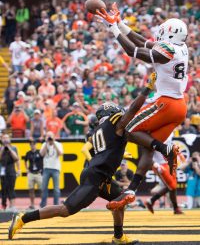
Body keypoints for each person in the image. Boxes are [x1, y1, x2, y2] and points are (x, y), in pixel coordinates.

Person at [8, 73, 157, 243]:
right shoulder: (113, 125)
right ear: (112, 114)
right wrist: (148, 89)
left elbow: (110, 148)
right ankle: (22, 218)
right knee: (64, 210)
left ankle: (118, 237)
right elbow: (131, 111)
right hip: (95, 177)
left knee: (120, 200)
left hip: (101, 175)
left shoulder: (100, 131)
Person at [97, 5, 188, 210]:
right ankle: (132, 190)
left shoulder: (168, 51)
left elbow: (132, 50)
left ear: (170, 32)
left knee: (127, 128)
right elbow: (143, 41)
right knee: (148, 145)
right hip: (179, 106)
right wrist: (119, 23)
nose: (160, 32)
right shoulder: (180, 47)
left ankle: (166, 150)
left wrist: (113, 29)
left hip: (166, 103)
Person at [39, 131, 63, 208]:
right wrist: (46, 143)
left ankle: (56, 205)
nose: (49, 137)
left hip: (55, 168)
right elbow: (41, 154)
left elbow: (60, 154)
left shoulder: (58, 144)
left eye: (50, 136)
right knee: (44, 188)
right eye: (48, 136)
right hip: (46, 168)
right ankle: (43, 205)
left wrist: (54, 143)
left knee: (56, 189)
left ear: (54, 136)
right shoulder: (44, 144)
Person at [0, 134, 20, 211]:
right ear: (1, 140)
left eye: (7, 138)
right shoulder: (0, 148)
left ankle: (12, 206)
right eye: (4, 138)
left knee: (11, 188)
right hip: (2, 171)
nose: (5, 139)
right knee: (3, 188)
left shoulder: (14, 148)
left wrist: (9, 149)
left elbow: (16, 158)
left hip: (11, 170)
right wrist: (2, 149)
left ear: (9, 139)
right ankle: (4, 205)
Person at [24, 140, 43, 210]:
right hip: (31, 173)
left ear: (36, 145)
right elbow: (25, 161)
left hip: (38, 173)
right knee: (31, 189)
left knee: (41, 189)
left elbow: (43, 160)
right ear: (30, 145)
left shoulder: (39, 152)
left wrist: (42, 168)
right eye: (31, 145)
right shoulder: (28, 153)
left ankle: (42, 203)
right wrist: (27, 169)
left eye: (33, 144)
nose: (32, 146)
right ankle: (32, 204)